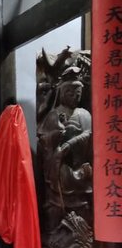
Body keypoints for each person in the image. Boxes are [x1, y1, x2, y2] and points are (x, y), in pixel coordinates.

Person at [36, 75, 92, 233]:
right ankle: (55, 233)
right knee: (55, 206)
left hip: (79, 166)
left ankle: (82, 233)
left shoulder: (84, 114)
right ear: (62, 93)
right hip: (60, 168)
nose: (75, 97)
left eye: (78, 94)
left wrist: (71, 143)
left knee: (82, 205)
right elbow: (44, 139)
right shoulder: (53, 114)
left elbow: (90, 135)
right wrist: (59, 133)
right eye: (70, 93)